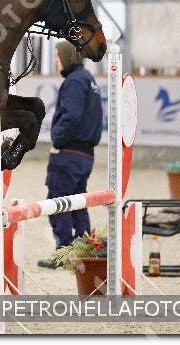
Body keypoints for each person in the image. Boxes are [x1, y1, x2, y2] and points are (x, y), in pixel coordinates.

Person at [37, 41, 103, 269]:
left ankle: (64, 252)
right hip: (85, 154)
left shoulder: (74, 81)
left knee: (58, 201)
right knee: (77, 202)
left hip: (69, 152)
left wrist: (58, 140)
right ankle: (83, 250)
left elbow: (71, 117)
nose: (56, 60)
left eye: (58, 55)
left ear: (67, 56)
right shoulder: (87, 78)